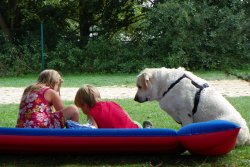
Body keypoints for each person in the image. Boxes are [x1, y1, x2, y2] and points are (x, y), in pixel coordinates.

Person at [73, 84, 148, 128]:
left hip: (120, 139)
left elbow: (93, 130)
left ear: (85, 105)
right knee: (136, 123)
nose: (82, 111)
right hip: (135, 132)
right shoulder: (112, 103)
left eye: (81, 107)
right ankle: (148, 130)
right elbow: (126, 115)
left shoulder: (91, 114)